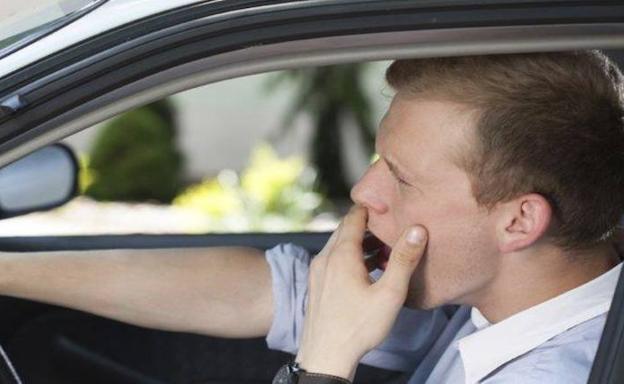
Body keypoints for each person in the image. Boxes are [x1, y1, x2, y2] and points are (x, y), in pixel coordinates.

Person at [1, 51, 623, 384]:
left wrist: (322, 365)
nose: (364, 190)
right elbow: (259, 293)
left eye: (400, 178)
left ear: (518, 222)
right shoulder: (491, 297)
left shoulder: (557, 373)